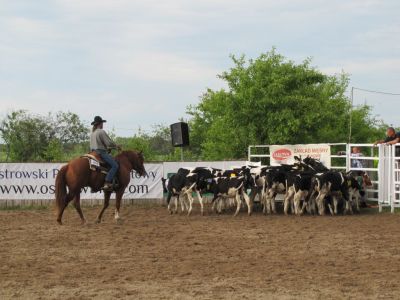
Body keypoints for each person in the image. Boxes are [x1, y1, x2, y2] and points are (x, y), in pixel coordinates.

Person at [90, 116, 121, 191]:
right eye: (102, 123)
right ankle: (107, 182)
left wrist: (108, 148)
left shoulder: (92, 133)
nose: (103, 125)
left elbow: (101, 144)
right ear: (100, 124)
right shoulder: (101, 131)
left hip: (92, 152)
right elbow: (109, 143)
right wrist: (116, 146)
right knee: (115, 165)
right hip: (101, 153)